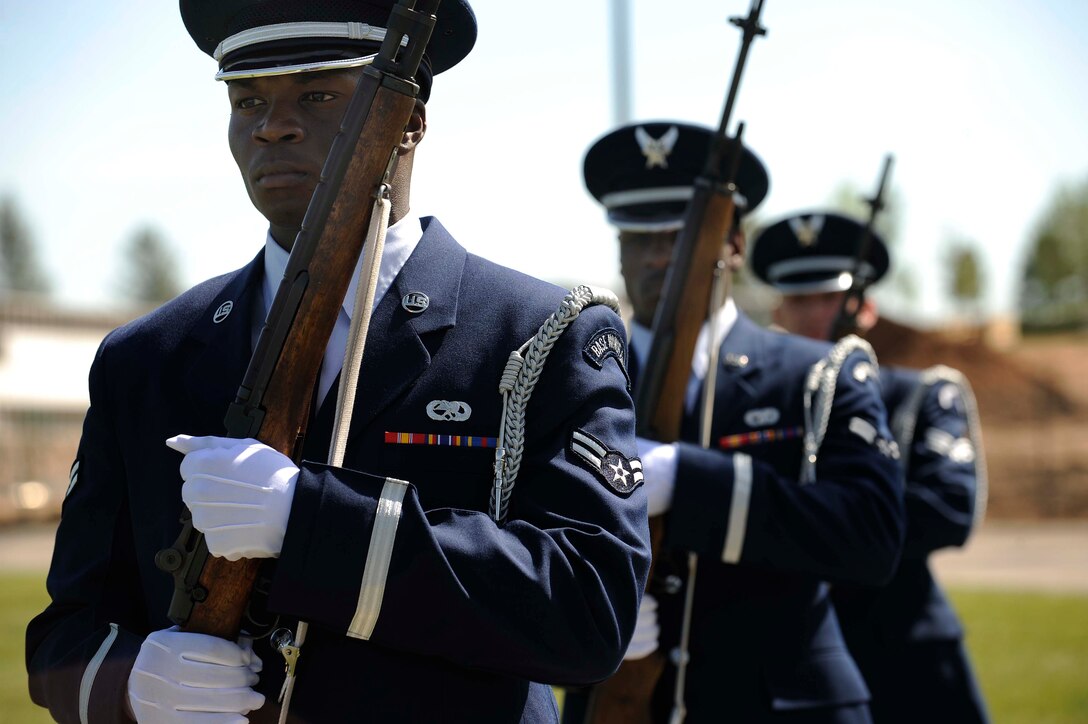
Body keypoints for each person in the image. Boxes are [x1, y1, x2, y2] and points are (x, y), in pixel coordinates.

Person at [26, 2, 651, 722]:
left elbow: (589, 610)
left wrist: (312, 521)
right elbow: (66, 630)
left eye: (318, 95)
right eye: (247, 100)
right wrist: (130, 684)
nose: (270, 126)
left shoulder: (537, 334)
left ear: (409, 120)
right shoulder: (147, 357)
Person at [571, 121, 905, 724]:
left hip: (783, 702)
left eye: (679, 234)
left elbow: (871, 536)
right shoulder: (573, 375)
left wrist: (691, 480)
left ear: (735, 245)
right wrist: (582, 610)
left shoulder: (817, 376)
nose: (656, 257)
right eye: (637, 234)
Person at [750, 211, 990, 723]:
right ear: (777, 310)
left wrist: (804, 520)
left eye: (828, 298)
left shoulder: (921, 394)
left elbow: (949, 507)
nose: (815, 314)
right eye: (799, 298)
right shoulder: (756, 407)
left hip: (909, 653)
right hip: (798, 657)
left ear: (866, 308)